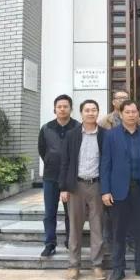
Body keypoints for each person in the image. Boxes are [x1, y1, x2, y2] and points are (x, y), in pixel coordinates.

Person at [100, 100, 140, 280]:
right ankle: (118, 269)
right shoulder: (111, 135)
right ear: (121, 114)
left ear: (138, 113)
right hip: (118, 191)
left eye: (134, 111)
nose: (131, 115)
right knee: (118, 231)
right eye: (128, 112)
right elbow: (105, 164)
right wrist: (105, 190)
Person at [60, 99, 106, 280]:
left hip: (97, 185)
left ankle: (97, 265)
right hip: (76, 186)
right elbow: (64, 162)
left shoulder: (105, 135)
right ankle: (73, 265)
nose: (91, 113)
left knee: (97, 227)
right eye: (87, 110)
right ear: (81, 113)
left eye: (94, 110)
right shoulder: (72, 135)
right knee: (75, 227)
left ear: (98, 112)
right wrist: (63, 187)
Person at [38, 94, 78, 257]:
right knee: (50, 212)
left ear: (71, 109)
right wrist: (50, 161)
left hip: (71, 177)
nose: (62, 109)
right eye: (59, 107)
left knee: (71, 213)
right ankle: (50, 243)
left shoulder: (77, 127)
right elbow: (42, 150)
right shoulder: (46, 128)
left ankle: (70, 241)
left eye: (65, 106)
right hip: (51, 176)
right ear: (54, 109)